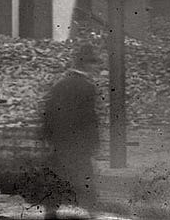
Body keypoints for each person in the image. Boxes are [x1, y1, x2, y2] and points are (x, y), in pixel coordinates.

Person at [39, 40, 102, 218]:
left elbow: (47, 113)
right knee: (85, 179)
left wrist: (48, 138)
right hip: (78, 144)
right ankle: (93, 213)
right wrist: (93, 144)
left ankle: (50, 211)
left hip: (60, 143)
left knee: (56, 177)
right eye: (93, 63)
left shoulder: (60, 85)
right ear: (87, 64)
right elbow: (89, 119)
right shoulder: (87, 88)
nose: (95, 68)